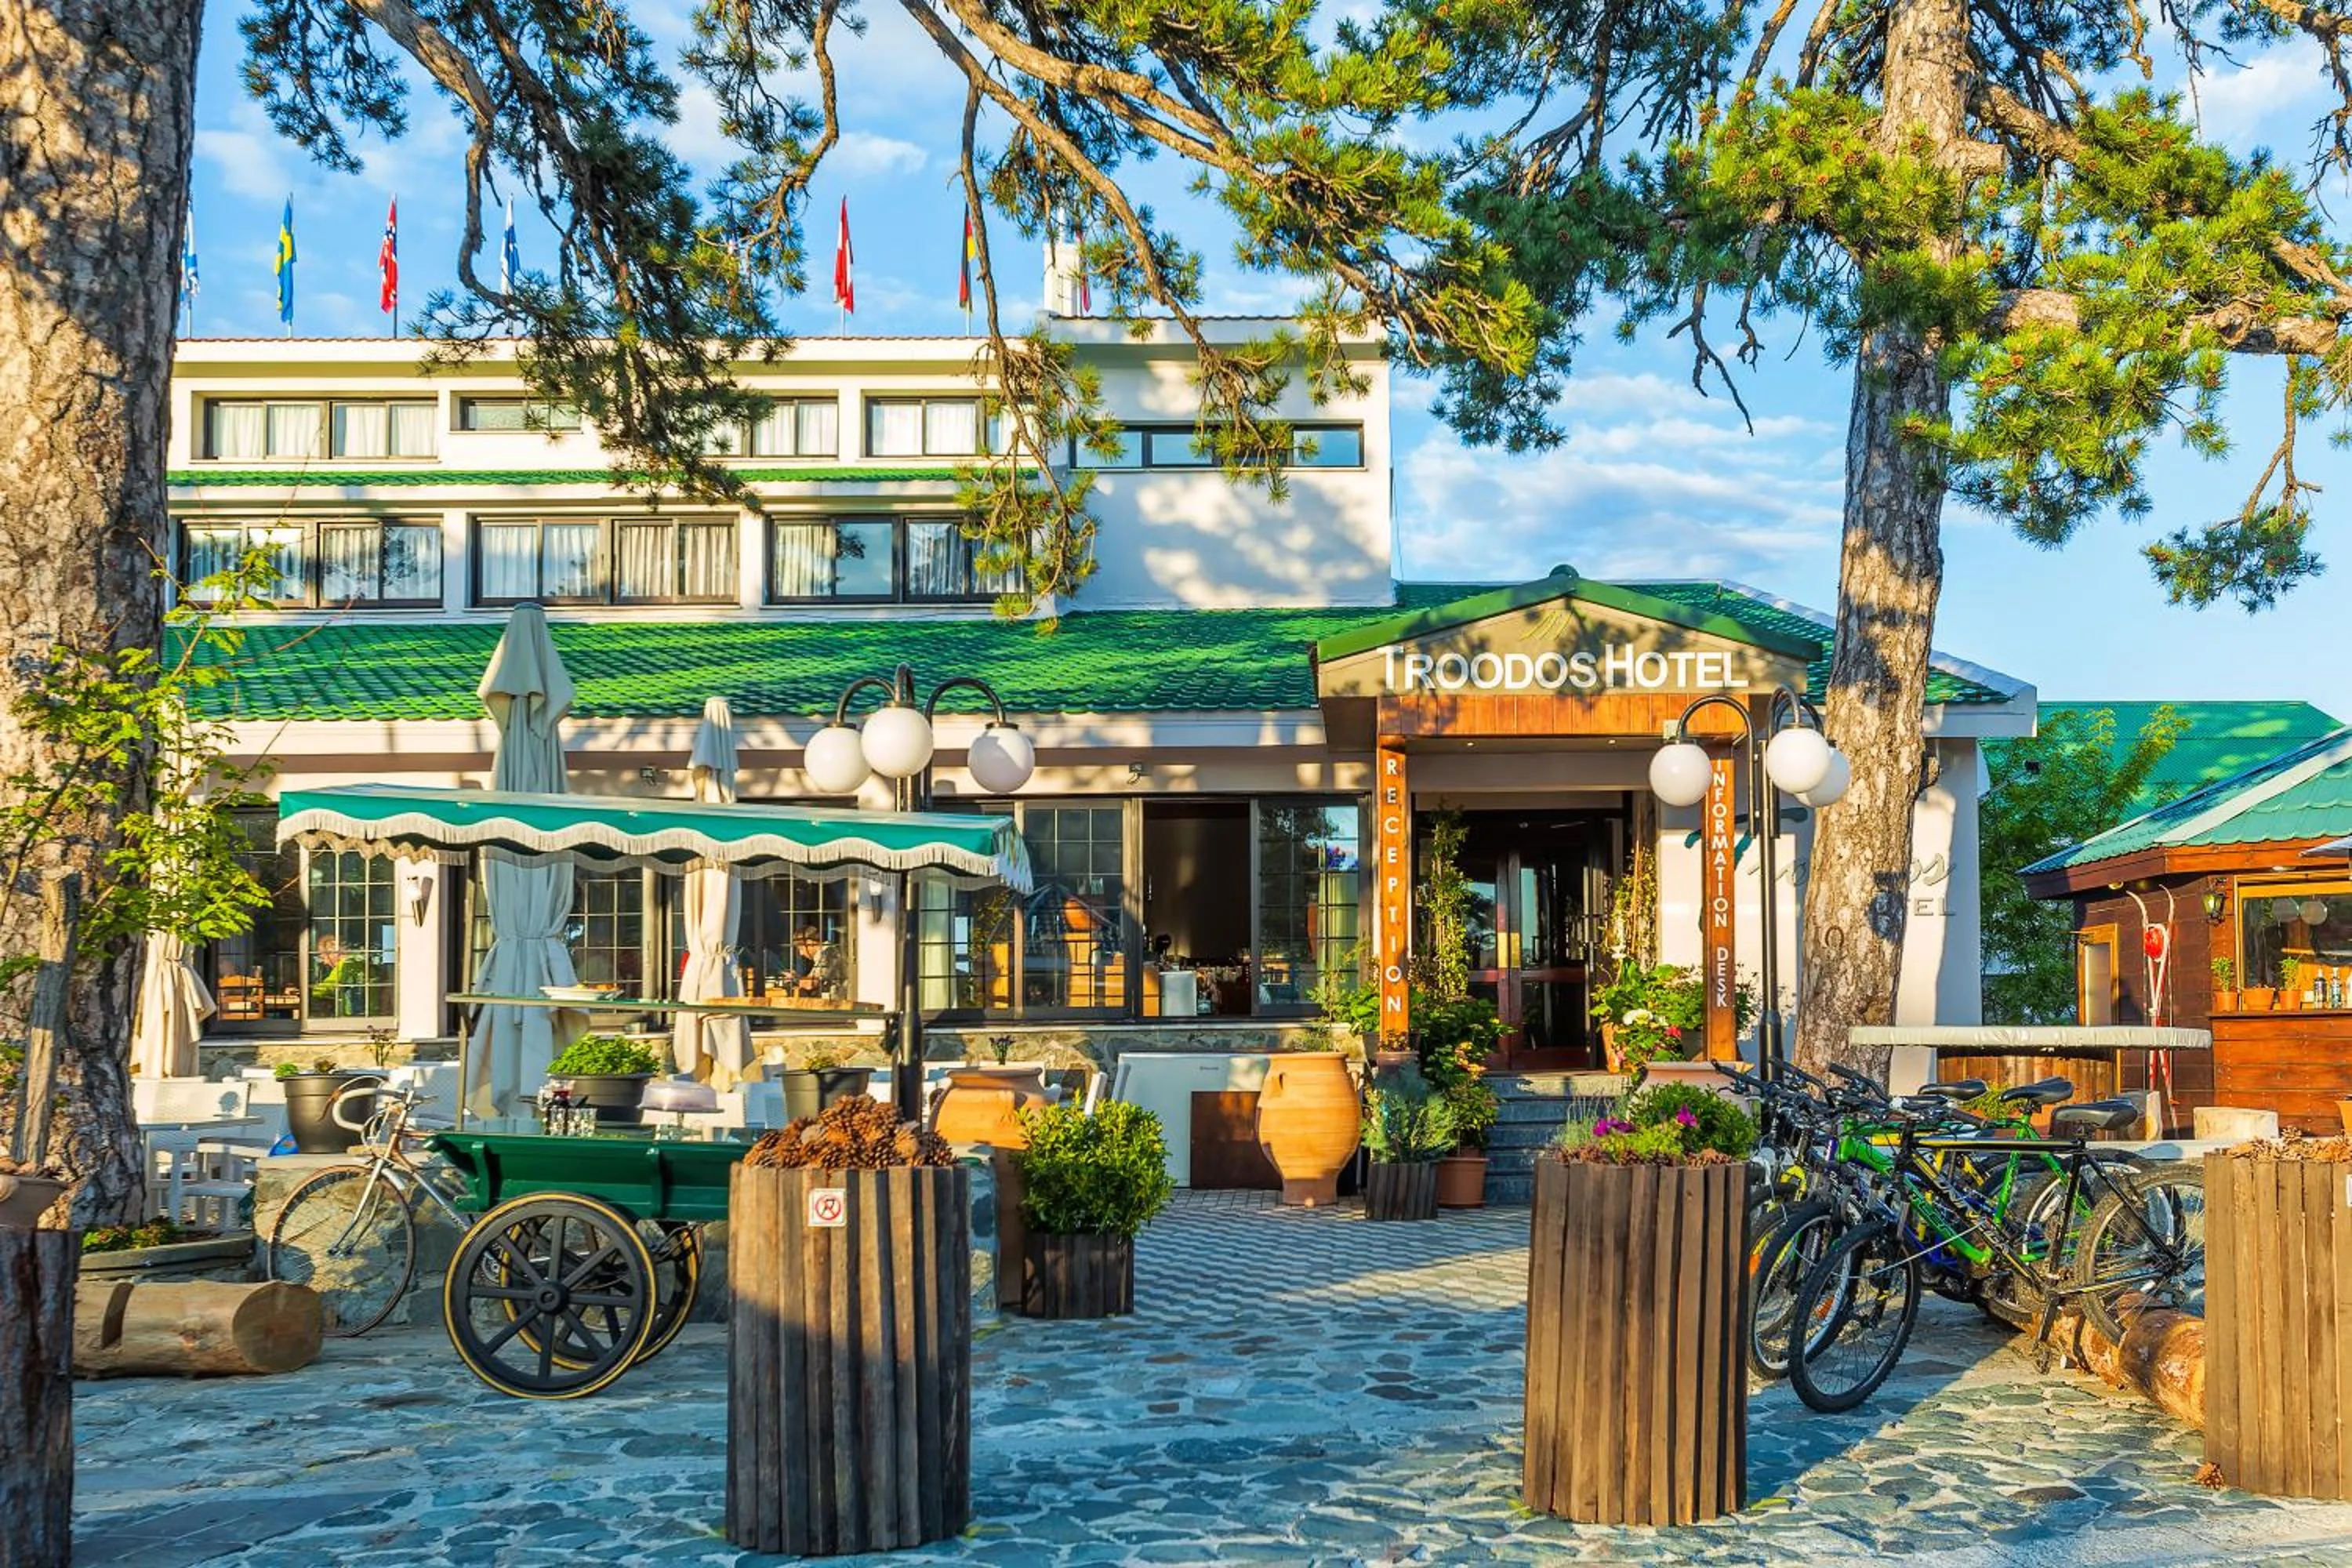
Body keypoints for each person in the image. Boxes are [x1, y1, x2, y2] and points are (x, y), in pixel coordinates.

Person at [793, 925, 846, 999]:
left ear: (809, 943)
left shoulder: (828, 954)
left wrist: (795, 980)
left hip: (835, 1005)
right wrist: (797, 977)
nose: (801, 953)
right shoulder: (823, 956)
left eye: (801, 948)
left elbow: (811, 984)